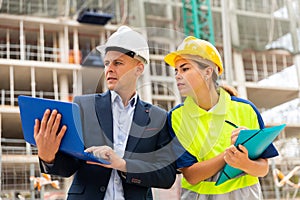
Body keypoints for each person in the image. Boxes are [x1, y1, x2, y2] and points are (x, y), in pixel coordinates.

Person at [34, 25, 177, 200]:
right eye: (107, 63)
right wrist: (48, 157)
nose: (109, 69)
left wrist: (123, 165)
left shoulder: (158, 117)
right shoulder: (84, 106)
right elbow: (68, 166)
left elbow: (167, 175)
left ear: (139, 68)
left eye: (118, 63)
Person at [164, 36, 279, 199]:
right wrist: (228, 156)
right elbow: (191, 175)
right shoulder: (176, 117)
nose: (177, 75)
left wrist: (245, 163)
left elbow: (263, 169)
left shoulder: (246, 110)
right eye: (176, 71)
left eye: (185, 69)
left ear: (208, 71)